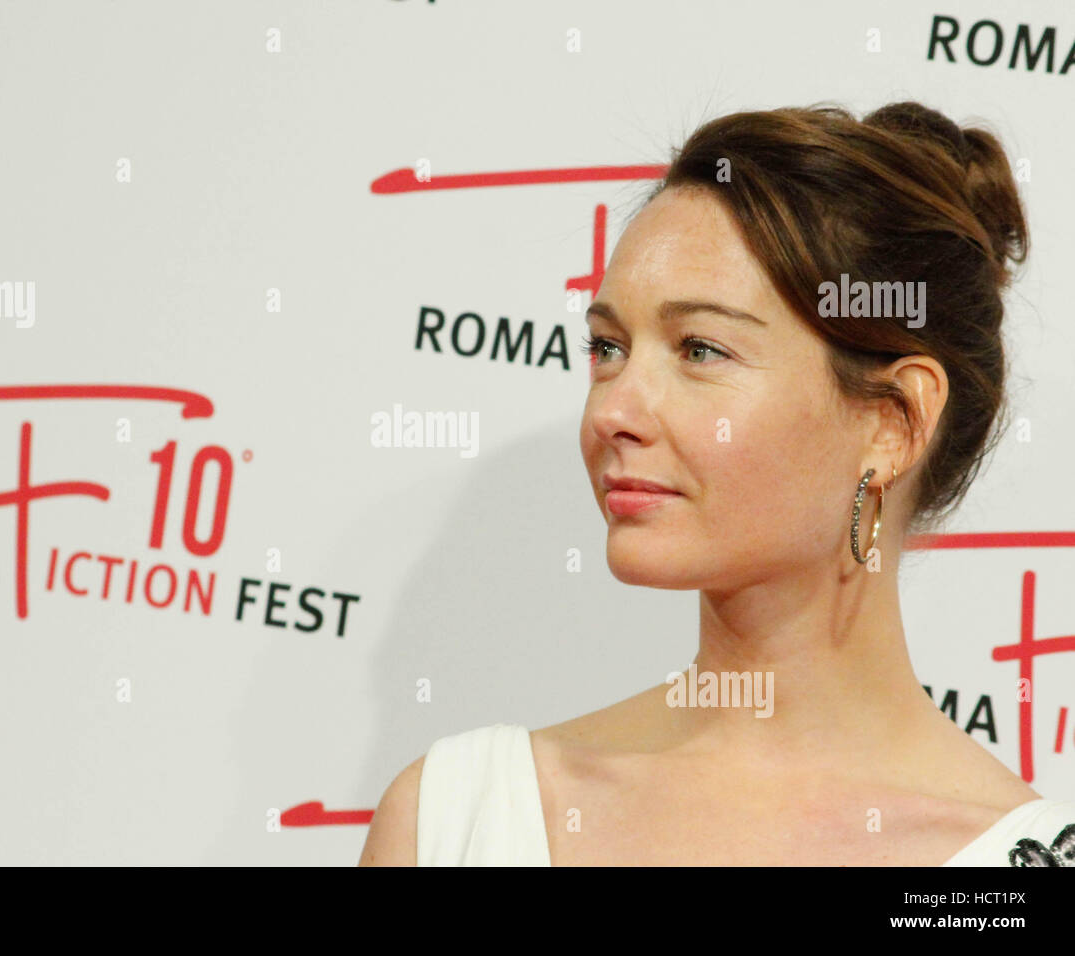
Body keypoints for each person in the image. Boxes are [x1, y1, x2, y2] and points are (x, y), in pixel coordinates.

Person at [358, 101, 1075, 866]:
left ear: (892, 423)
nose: (615, 410)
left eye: (699, 350)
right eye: (607, 348)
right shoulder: (459, 818)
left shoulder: (1015, 870)